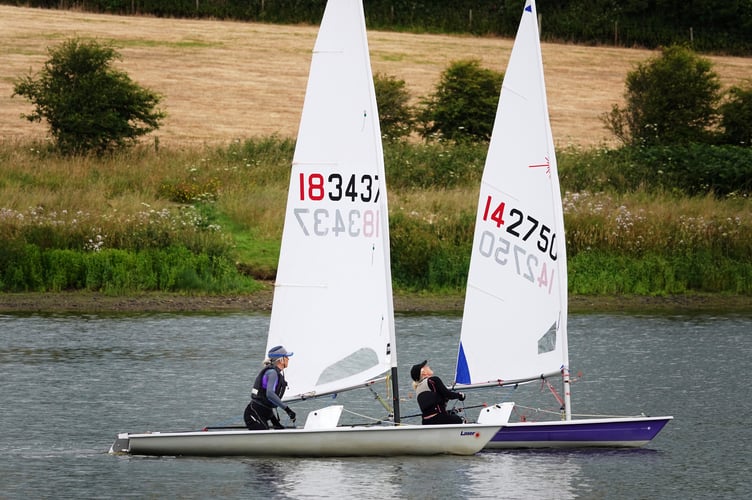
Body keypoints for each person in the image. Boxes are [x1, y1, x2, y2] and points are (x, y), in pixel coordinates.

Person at [244, 345, 297, 430]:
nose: (288, 359)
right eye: (286, 357)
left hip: (263, 413)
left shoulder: (276, 372)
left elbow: (266, 404)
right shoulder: (272, 373)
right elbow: (270, 394)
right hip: (253, 413)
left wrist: (276, 423)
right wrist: (287, 410)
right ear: (281, 359)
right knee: (263, 433)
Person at [411, 360, 466, 425]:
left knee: (451, 415)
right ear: (423, 372)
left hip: (426, 422)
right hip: (440, 418)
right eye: (426, 367)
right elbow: (448, 395)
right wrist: (460, 395)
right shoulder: (433, 380)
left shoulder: (417, 388)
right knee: (460, 420)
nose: (428, 366)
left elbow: (433, 402)